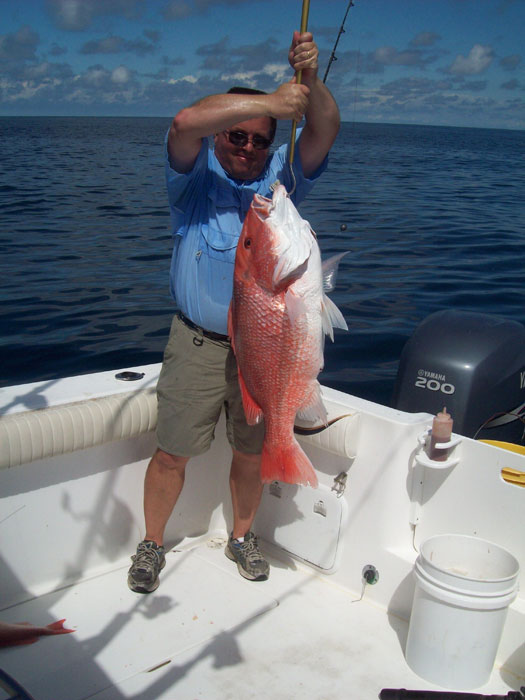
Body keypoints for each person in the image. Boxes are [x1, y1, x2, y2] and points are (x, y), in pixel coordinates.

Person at [128, 30, 340, 593]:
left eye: (259, 141)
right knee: (172, 451)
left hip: (262, 353)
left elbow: (324, 130)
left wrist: (309, 84)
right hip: (197, 345)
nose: (247, 147)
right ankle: (151, 545)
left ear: (271, 149)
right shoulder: (191, 183)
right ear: (221, 134)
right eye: (237, 136)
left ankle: (242, 537)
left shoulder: (281, 187)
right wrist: (272, 104)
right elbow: (182, 123)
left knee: (253, 452)